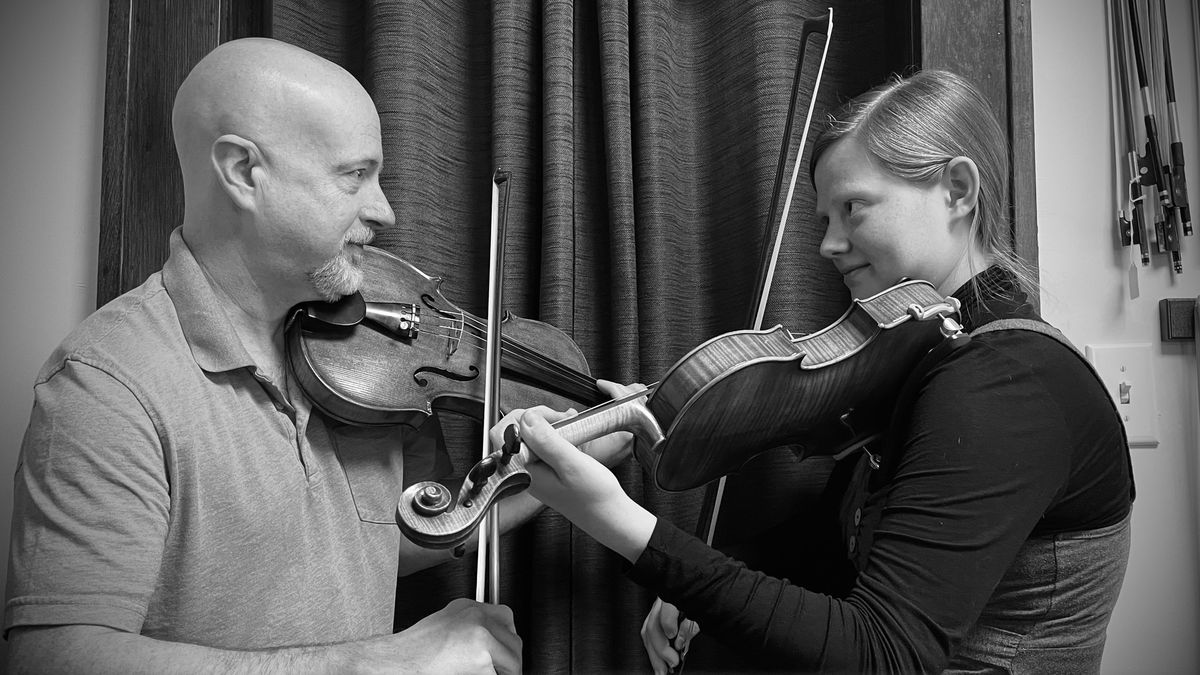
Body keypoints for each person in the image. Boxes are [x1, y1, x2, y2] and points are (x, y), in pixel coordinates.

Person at [4, 37, 629, 672]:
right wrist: (378, 664)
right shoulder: (109, 382)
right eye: (354, 176)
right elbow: (51, 659)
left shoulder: (373, 361)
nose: (383, 211)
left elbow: (392, 537)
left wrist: (554, 477)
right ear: (244, 172)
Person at [500, 69, 1135, 673]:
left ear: (958, 192)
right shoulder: (923, 350)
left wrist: (626, 525)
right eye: (824, 220)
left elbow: (882, 655)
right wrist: (714, 573)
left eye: (853, 208)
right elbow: (841, 545)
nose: (828, 244)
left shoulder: (1008, 382)